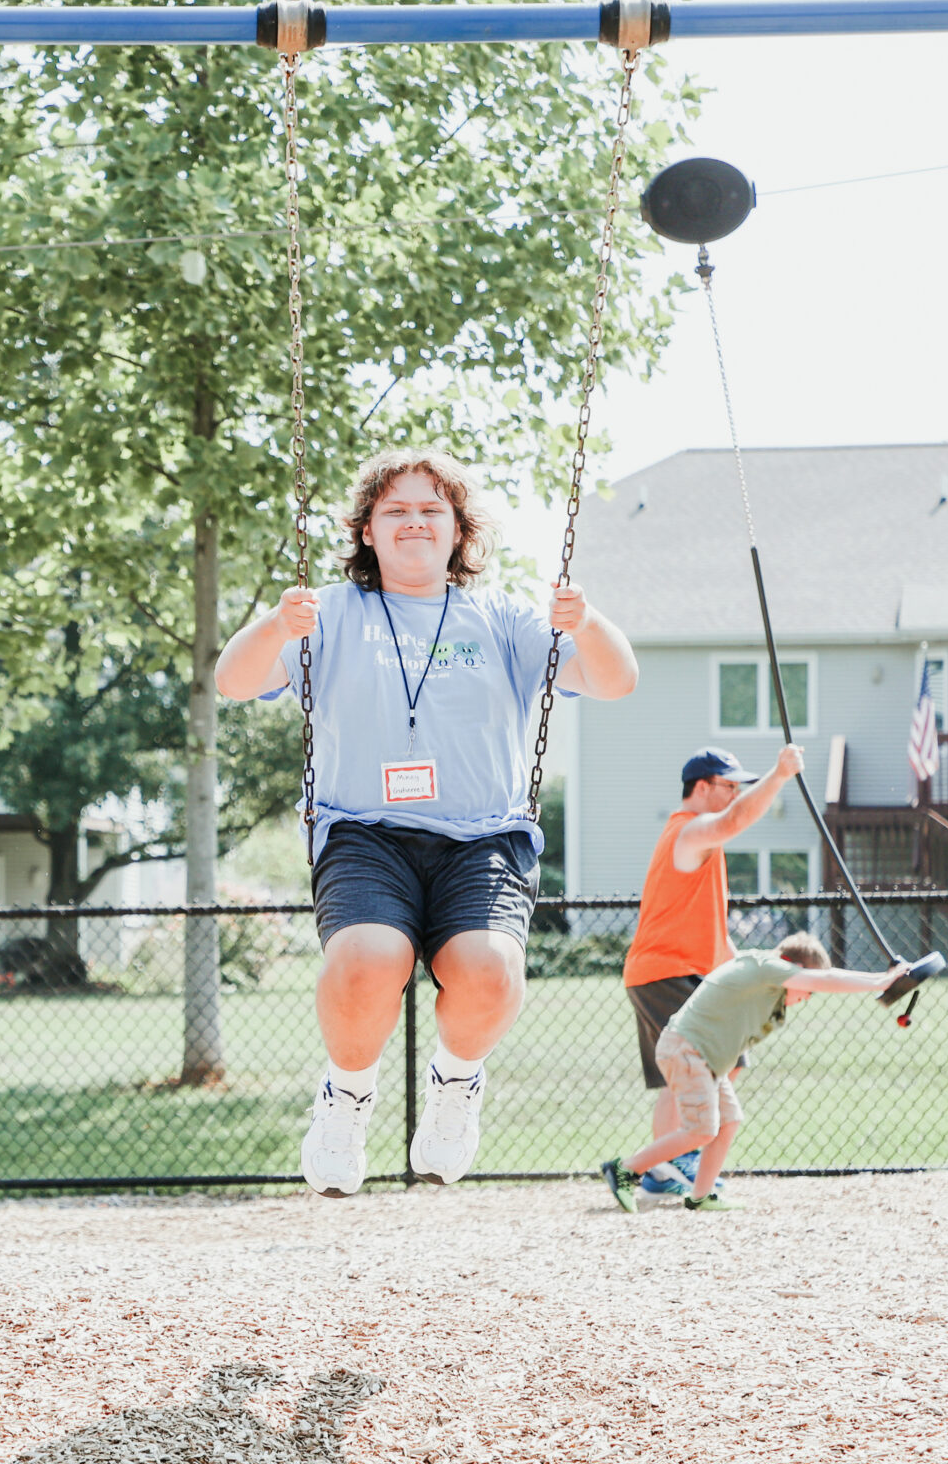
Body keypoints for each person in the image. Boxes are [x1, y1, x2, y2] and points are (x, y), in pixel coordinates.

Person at [215, 446, 639, 1197]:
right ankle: (346, 1099)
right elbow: (233, 679)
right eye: (396, 510)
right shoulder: (330, 612)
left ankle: (455, 1083)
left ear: (458, 530)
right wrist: (278, 625)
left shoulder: (502, 617)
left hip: (482, 836)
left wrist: (591, 621)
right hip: (363, 830)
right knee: (368, 960)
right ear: (368, 531)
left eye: (431, 510)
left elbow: (614, 680)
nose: (414, 522)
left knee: (491, 971)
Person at [621, 743, 806, 1197]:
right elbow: (735, 820)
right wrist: (779, 775)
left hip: (659, 971)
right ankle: (677, 1160)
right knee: (720, 1061)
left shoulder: (697, 840)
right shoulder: (692, 830)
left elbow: (710, 932)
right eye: (728, 786)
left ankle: (663, 1168)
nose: (733, 795)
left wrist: (745, 967)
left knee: (681, 1075)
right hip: (667, 971)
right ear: (701, 788)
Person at [601, 934, 902, 1212]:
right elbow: (828, 978)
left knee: (729, 1120)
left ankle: (701, 1195)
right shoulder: (765, 966)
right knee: (701, 1129)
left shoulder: (770, 993)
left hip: (705, 1060)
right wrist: (882, 981)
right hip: (687, 1050)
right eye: (808, 989)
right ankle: (625, 1169)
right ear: (793, 967)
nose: (809, 996)